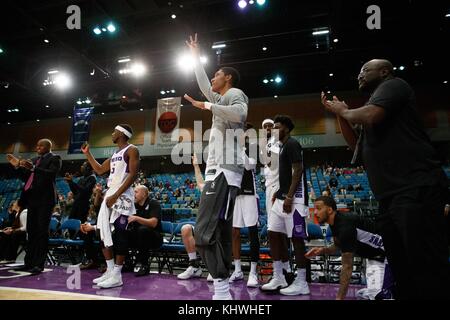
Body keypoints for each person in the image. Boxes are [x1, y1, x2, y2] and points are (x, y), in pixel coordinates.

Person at [320, 59, 449, 299]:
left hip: (414, 186)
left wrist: (345, 111)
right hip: (389, 196)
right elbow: (353, 145)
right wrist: (341, 115)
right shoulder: (373, 104)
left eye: (365, 70)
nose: (359, 75)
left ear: (384, 71)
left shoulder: (393, 86)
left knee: (425, 262)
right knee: (400, 265)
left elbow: (369, 116)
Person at [183, 33, 248, 300]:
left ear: (228, 78)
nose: (213, 78)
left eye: (217, 74)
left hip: (224, 169)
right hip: (221, 170)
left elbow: (241, 114)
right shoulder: (221, 97)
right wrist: (196, 56)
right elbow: (202, 83)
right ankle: (222, 290)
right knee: (218, 230)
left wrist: (208, 105)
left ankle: (221, 287)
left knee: (204, 232)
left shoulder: (233, 93)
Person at [80, 124, 140, 289]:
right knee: (101, 232)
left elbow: (133, 175)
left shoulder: (132, 149)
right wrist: (88, 154)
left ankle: (117, 275)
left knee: (120, 234)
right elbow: (99, 170)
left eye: (114, 131)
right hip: (110, 194)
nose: (112, 134)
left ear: (121, 133)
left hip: (122, 196)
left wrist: (116, 195)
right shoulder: (115, 154)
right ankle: (110, 270)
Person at [305, 196, 394, 300]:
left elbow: (347, 267)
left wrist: (339, 298)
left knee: (381, 296)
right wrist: (323, 250)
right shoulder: (335, 222)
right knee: (367, 294)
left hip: (389, 254)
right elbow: (338, 245)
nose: (315, 212)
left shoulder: (345, 226)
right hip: (374, 257)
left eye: (318, 208)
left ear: (329, 210)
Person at [261, 115, 310, 296]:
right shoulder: (281, 147)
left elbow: (298, 171)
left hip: (294, 199)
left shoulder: (292, 144)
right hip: (281, 197)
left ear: (287, 129)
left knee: (296, 240)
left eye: (277, 126)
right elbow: (284, 174)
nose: (274, 129)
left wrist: (289, 197)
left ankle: (302, 282)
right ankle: (278, 275)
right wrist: (279, 192)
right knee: (273, 233)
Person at [6, 138, 62, 275]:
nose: (37, 148)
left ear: (48, 147)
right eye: (36, 146)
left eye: (40, 146)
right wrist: (18, 167)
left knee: (41, 232)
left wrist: (34, 168)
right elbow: (26, 179)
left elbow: (51, 174)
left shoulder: (55, 158)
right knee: (31, 231)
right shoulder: (35, 160)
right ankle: (28, 263)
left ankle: (39, 264)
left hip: (45, 200)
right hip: (32, 200)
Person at [229, 123, 260, 287]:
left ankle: (253, 272)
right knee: (234, 232)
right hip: (235, 194)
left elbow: (249, 166)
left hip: (249, 193)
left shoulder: (252, 147)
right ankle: (238, 269)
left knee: (252, 231)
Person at [177, 154, 212, 282]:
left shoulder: (222, 191)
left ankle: (214, 268)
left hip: (216, 228)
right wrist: (196, 166)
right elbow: (200, 181)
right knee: (186, 228)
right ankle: (194, 266)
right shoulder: (207, 190)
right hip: (202, 227)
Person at [126, 185, 163, 276]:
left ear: (144, 194)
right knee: (121, 232)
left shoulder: (154, 203)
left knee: (143, 230)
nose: (133, 194)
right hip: (139, 237)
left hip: (154, 238)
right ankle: (127, 263)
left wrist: (137, 218)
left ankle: (144, 265)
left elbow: (153, 223)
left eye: (136, 192)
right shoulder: (134, 205)